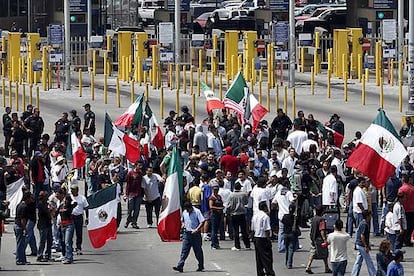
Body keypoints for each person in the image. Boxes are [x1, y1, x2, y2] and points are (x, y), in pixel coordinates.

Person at [172, 201, 205, 273]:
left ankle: (201, 265)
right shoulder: (185, 212)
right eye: (186, 209)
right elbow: (182, 220)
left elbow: (202, 221)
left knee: (198, 251)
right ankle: (180, 266)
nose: (187, 211)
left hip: (195, 234)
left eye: (188, 209)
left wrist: (197, 229)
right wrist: (183, 224)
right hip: (187, 234)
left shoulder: (197, 212)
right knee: (184, 251)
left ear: (191, 208)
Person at [305, 206, 331, 274]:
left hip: (313, 238)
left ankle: (308, 266)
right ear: (322, 212)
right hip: (319, 239)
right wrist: (325, 239)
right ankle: (326, 268)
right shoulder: (321, 220)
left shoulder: (313, 219)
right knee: (325, 253)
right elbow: (322, 230)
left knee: (313, 252)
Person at [251, 201, 275, 276]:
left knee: (259, 258)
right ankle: (269, 273)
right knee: (267, 258)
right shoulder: (265, 216)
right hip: (263, 238)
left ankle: (260, 273)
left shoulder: (255, 216)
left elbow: (252, 228)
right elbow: (267, 230)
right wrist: (269, 239)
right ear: (264, 207)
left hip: (256, 237)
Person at [351, 210, 376, 276]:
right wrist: (366, 246)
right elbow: (362, 236)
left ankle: (354, 274)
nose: (371, 217)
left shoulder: (362, 223)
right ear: (367, 216)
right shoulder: (364, 224)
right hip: (361, 245)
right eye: (370, 215)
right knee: (369, 261)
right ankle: (373, 274)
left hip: (360, 244)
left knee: (358, 261)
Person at [226, 182, 250, 251]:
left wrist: (228, 212)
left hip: (234, 214)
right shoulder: (243, 194)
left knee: (236, 230)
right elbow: (246, 202)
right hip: (242, 213)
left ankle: (237, 246)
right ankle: (247, 244)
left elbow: (228, 205)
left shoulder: (231, 195)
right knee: (244, 230)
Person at [14, 191, 33, 265]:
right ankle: (19, 260)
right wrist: (25, 229)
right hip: (20, 226)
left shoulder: (19, 204)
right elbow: (23, 219)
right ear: (27, 198)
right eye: (30, 198)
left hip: (17, 225)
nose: (31, 200)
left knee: (21, 244)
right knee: (20, 244)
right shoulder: (24, 206)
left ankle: (23, 259)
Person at [58, 194, 77, 264]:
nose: (65, 201)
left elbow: (76, 203)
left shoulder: (71, 207)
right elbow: (56, 213)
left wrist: (72, 198)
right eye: (65, 200)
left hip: (69, 225)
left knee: (67, 242)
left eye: (67, 200)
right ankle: (67, 256)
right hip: (62, 225)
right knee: (64, 242)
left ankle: (69, 258)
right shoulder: (61, 206)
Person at [70, 185, 89, 255]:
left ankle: (78, 248)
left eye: (73, 189)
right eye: (71, 189)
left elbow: (86, 208)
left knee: (79, 233)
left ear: (77, 190)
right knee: (70, 234)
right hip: (71, 217)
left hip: (79, 217)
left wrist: (87, 217)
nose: (72, 191)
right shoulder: (69, 197)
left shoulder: (82, 198)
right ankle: (70, 248)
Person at [124, 161, 143, 229]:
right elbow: (127, 184)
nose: (140, 167)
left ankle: (134, 222)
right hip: (131, 194)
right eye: (139, 165)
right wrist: (125, 194)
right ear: (135, 166)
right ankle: (128, 221)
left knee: (136, 210)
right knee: (130, 209)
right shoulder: (130, 173)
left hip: (138, 194)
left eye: (141, 165)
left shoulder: (140, 174)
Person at [281, 203, 299, 269]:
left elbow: (282, 222)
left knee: (286, 248)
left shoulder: (285, 216)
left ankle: (286, 262)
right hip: (292, 234)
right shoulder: (295, 217)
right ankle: (289, 263)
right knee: (291, 249)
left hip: (285, 233)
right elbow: (297, 225)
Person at [36, 191, 52, 262]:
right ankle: (40, 255)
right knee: (42, 241)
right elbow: (46, 212)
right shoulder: (40, 203)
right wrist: (50, 210)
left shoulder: (46, 203)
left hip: (48, 223)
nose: (47, 197)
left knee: (50, 240)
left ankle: (48, 255)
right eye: (46, 196)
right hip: (43, 224)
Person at [209, 185, 224, 249]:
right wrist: (219, 208)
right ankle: (213, 244)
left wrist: (222, 207)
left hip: (219, 215)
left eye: (217, 190)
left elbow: (221, 203)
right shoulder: (212, 198)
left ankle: (216, 243)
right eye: (214, 190)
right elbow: (211, 207)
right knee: (213, 230)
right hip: (214, 215)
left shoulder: (219, 197)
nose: (215, 191)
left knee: (217, 229)